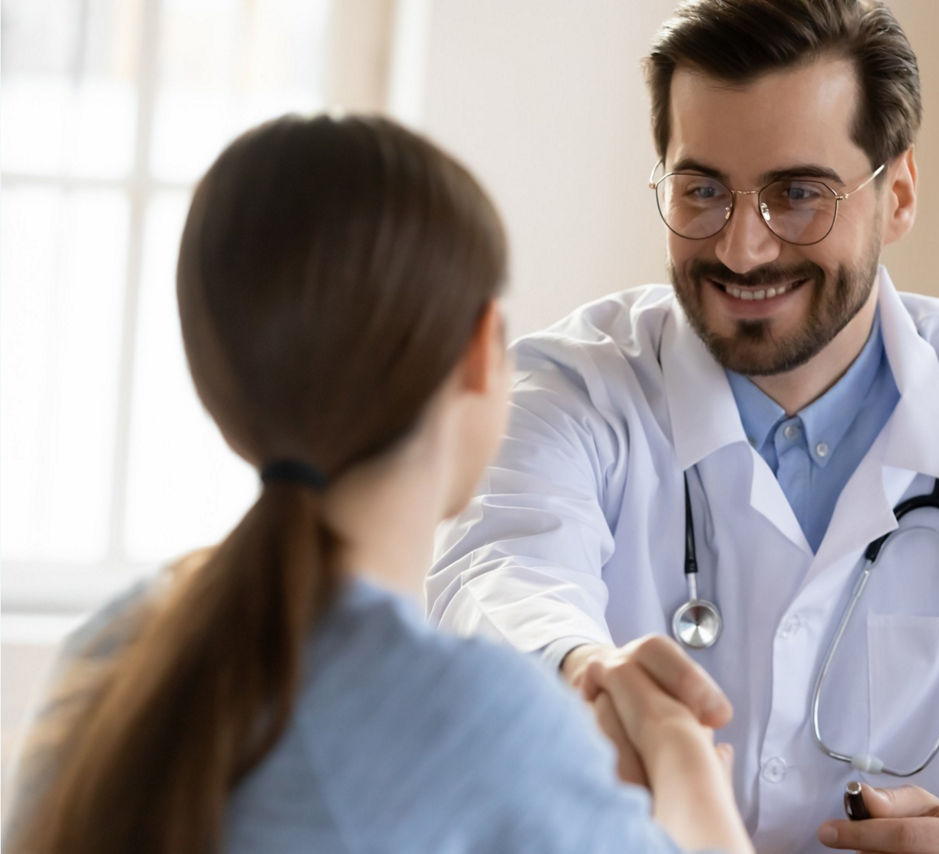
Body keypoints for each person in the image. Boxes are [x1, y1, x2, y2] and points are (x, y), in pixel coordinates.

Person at [427, 1, 939, 852]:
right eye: (702, 191)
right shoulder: (572, 387)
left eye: (796, 194)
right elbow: (494, 579)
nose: (741, 247)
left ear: (900, 194)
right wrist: (581, 671)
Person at [2, 114, 753, 854]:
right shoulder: (478, 719)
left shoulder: (110, 649)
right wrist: (679, 749)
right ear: (479, 354)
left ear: (220, 380)